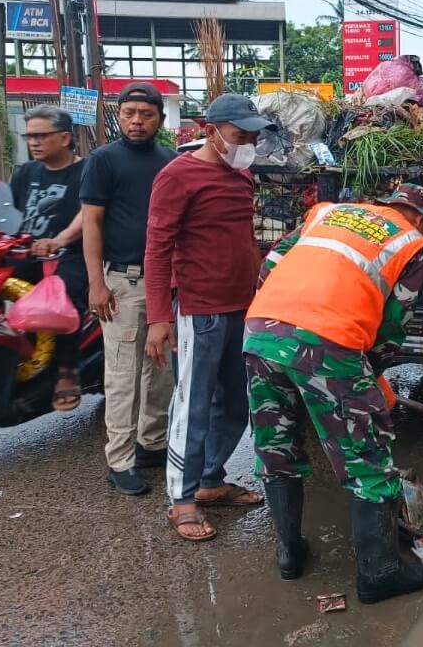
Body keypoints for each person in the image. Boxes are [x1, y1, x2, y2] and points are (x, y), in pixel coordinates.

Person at [244, 184, 423, 603]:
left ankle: (289, 555)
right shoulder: (414, 245)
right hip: (328, 343)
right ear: (422, 218)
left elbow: (270, 266)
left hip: (261, 330)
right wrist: (372, 374)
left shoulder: (327, 213)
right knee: (368, 459)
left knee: (275, 447)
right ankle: (380, 575)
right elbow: (392, 324)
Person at [144, 94, 278, 541]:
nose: (249, 145)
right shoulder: (177, 176)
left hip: (242, 307)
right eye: (241, 137)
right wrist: (160, 317)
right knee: (192, 404)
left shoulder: (241, 177)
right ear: (211, 129)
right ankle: (181, 500)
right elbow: (157, 248)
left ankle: (210, 481)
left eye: (254, 138)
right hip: (199, 310)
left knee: (237, 403)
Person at [80, 83, 177, 496]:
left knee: (160, 372)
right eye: (129, 113)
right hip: (122, 282)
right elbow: (92, 223)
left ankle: (151, 443)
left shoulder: (170, 163)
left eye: (146, 114)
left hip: (165, 282)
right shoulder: (103, 161)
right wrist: (96, 283)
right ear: (119, 116)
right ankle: (120, 459)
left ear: (160, 118)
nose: (137, 121)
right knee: (122, 375)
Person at [9, 105, 89, 412]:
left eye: (41, 136)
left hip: (70, 254)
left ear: (66, 137)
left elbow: (89, 214)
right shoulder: (26, 171)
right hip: (25, 251)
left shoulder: (86, 171)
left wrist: (59, 240)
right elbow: (6, 209)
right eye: (30, 136)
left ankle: (68, 371)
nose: (34, 142)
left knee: (63, 296)